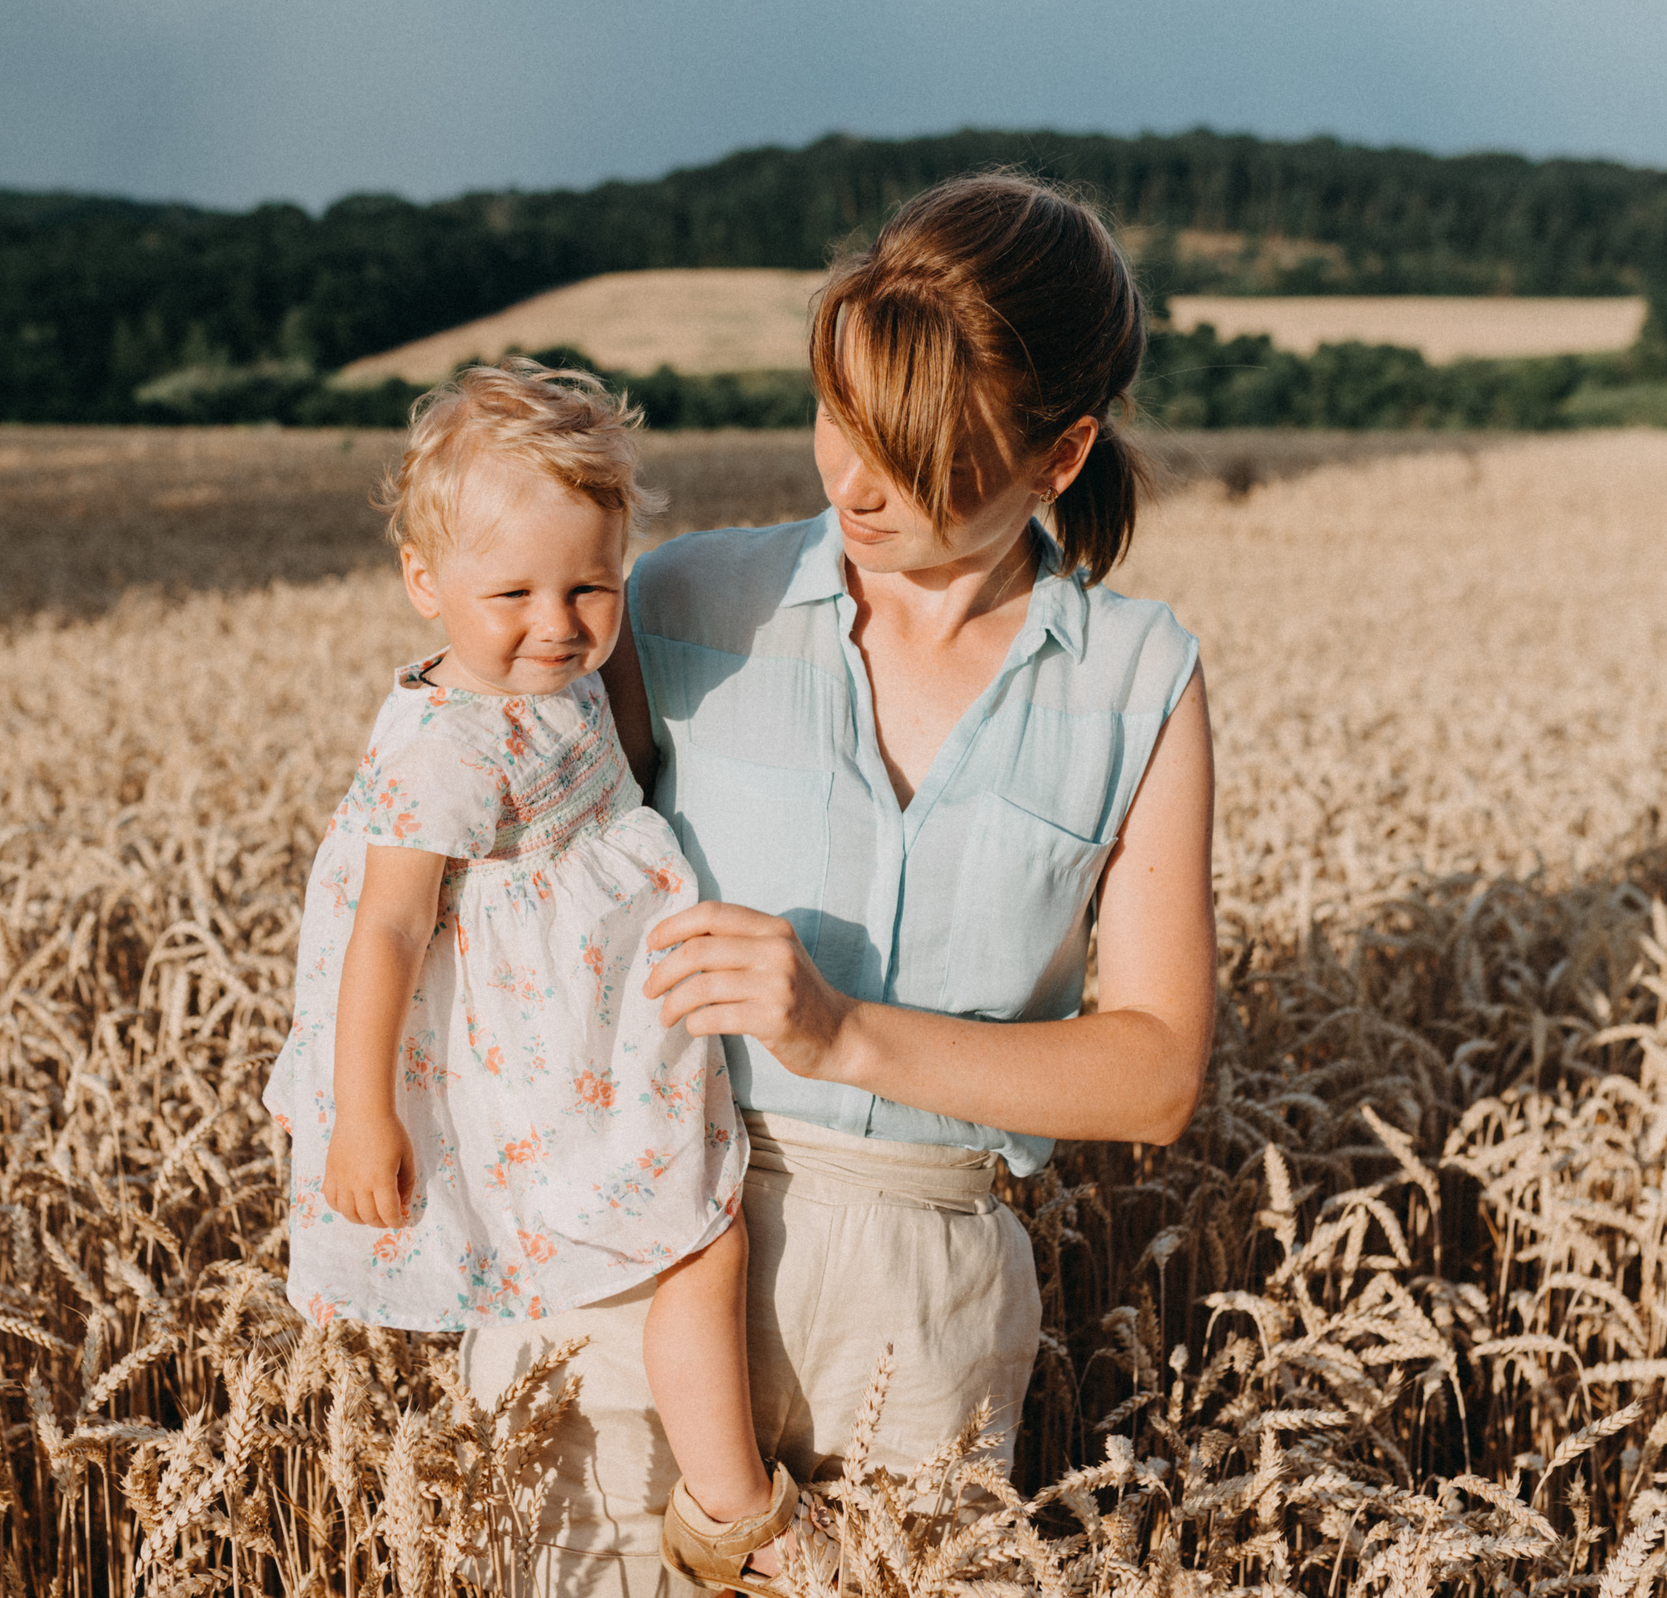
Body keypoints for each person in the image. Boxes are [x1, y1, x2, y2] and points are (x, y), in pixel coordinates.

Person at [459, 172, 1220, 1597]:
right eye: (839, 417)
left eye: (917, 451)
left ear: (1060, 456)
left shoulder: (1140, 680)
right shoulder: (680, 605)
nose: (851, 481)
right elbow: (483, 850)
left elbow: (1156, 1072)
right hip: (633, 1249)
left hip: (922, 1316)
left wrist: (844, 1033)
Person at [263, 362, 829, 1598]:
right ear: (425, 584)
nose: (559, 621)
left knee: (693, 1226)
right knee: (699, 1232)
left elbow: (614, 759)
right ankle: (734, 1508)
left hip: (596, 1020)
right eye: (511, 591)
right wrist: (360, 1115)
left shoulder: (555, 682)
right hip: (548, 1048)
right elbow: (387, 934)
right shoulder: (449, 749)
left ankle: (714, 1496)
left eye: (592, 585)